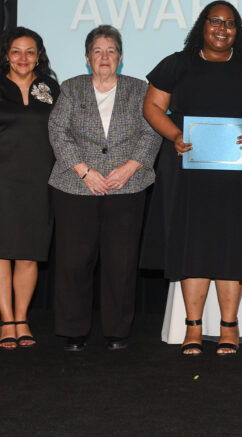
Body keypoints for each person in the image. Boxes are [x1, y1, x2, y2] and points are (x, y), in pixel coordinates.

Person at [141, 0, 242, 356]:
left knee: (231, 247)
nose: (222, 28)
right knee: (193, 245)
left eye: (230, 23)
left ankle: (229, 327)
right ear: (202, 26)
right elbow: (151, 107)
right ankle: (193, 328)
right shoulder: (177, 64)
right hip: (188, 170)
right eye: (215, 21)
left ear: (238, 30)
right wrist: (174, 135)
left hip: (238, 174)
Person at [48, 25, 161, 352]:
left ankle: (117, 331)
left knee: (120, 263)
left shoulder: (140, 90)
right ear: (87, 58)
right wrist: (84, 172)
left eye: (111, 51)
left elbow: (152, 131)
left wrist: (129, 168)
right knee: (73, 262)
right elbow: (57, 132)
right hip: (75, 187)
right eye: (98, 51)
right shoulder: (71, 89)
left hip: (127, 187)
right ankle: (73, 331)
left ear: (121, 57)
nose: (104, 57)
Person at [0, 27, 60, 349]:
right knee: (1, 252)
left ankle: (23, 319)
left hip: (39, 182)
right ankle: (6, 321)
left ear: (38, 56)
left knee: (30, 253)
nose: (23, 58)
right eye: (16, 51)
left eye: (30, 52)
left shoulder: (50, 89)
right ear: (6, 54)